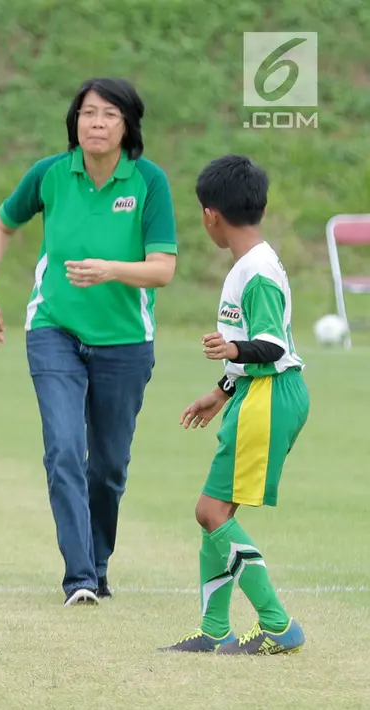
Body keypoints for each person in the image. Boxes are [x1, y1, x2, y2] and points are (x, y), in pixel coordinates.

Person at [0, 77, 177, 607]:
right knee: (63, 447)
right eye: (88, 113)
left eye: (110, 114)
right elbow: (1, 224)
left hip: (126, 341)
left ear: (128, 125)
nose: (97, 123)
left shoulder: (149, 182)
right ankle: (80, 577)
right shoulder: (50, 174)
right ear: (75, 121)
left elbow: (163, 270)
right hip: (53, 331)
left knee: (108, 467)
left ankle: (99, 564)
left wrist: (111, 269)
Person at [160, 155, 308, 655]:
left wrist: (232, 352)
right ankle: (215, 630)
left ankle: (277, 624)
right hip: (257, 392)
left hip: (269, 395)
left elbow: (270, 346)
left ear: (211, 215)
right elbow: (256, 348)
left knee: (209, 511)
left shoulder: (257, 271)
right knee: (216, 511)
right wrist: (221, 390)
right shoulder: (252, 264)